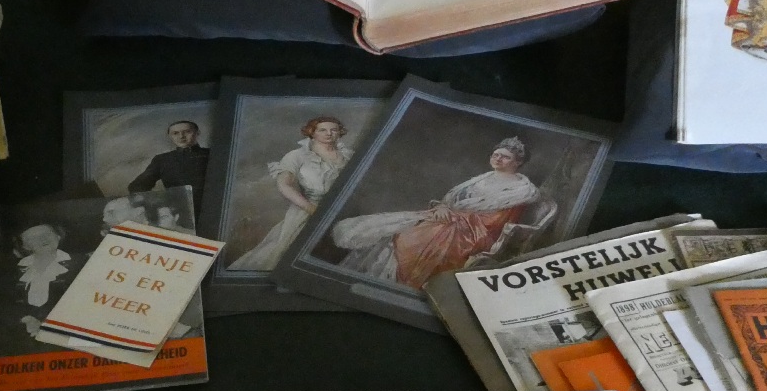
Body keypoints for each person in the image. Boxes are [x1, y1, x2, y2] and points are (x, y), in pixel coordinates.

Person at [330, 137, 543, 289]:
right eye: (496, 154)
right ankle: (377, 280)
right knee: (400, 227)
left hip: (475, 233)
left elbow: (496, 222)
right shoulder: (483, 178)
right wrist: (442, 207)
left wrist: (455, 217)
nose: (498, 159)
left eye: (505, 157)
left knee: (412, 237)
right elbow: (452, 200)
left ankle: (400, 284)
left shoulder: (520, 191)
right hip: (452, 219)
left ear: (518, 162)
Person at [228, 117, 353, 272]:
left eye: (333, 130)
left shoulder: (348, 156)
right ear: (312, 132)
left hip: (344, 210)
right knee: (289, 252)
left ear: (340, 132)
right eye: (322, 130)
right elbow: (284, 185)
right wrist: (311, 209)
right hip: (308, 209)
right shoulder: (297, 156)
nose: (329, 133)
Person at [128, 121, 209, 200]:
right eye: (175, 133)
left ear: (198, 133)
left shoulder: (211, 154)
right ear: (170, 136)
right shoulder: (162, 159)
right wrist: (147, 199)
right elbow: (139, 184)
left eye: (187, 132)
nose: (181, 136)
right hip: (180, 206)